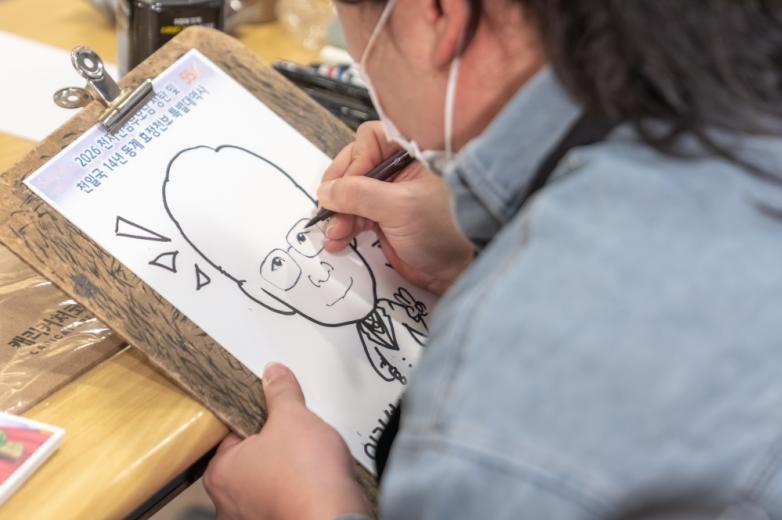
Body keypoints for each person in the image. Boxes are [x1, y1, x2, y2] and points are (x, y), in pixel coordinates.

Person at [203, 0, 782, 518]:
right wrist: (480, 248)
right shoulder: (741, 80)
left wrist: (308, 508)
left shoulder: (494, 409)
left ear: (437, 14)